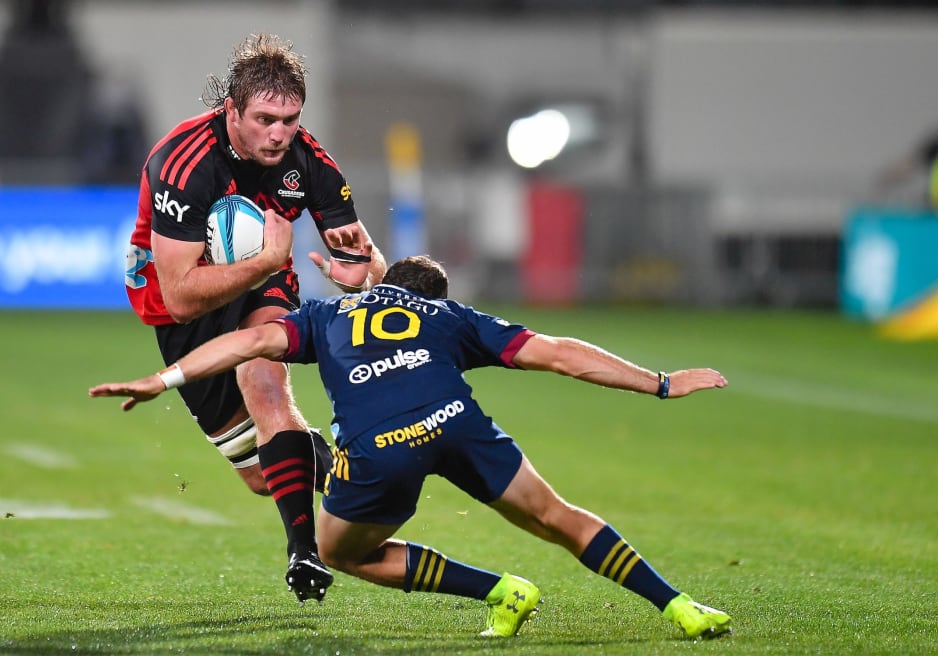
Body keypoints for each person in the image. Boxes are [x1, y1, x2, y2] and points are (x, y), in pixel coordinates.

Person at [94, 255, 734, 640]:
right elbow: (560, 354)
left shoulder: (325, 315)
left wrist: (164, 378)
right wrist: (660, 383)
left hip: (380, 449)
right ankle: (682, 607)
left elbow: (246, 344)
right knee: (558, 517)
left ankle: (501, 591)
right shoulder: (452, 317)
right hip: (457, 423)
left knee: (335, 552)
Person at [122, 32, 386, 604]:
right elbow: (184, 296)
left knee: (264, 379)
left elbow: (370, 266)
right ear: (232, 110)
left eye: (290, 119)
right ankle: (354, 470)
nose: (279, 133)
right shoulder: (184, 162)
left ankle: (304, 552)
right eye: (265, 118)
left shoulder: (310, 162)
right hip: (178, 299)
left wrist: (360, 272)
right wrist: (267, 256)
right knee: (260, 476)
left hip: (264, 284)